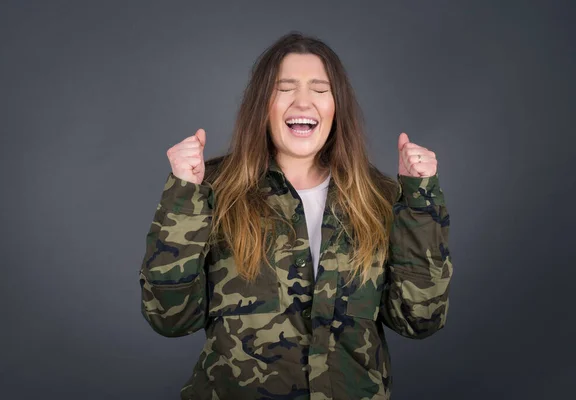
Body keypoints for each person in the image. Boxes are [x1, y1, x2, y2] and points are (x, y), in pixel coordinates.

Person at [138, 31, 452, 400]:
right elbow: (170, 319)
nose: (303, 101)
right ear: (262, 104)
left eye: (320, 90)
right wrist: (183, 194)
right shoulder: (211, 190)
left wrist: (419, 203)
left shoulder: (380, 199)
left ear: (337, 107)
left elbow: (419, 319)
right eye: (284, 88)